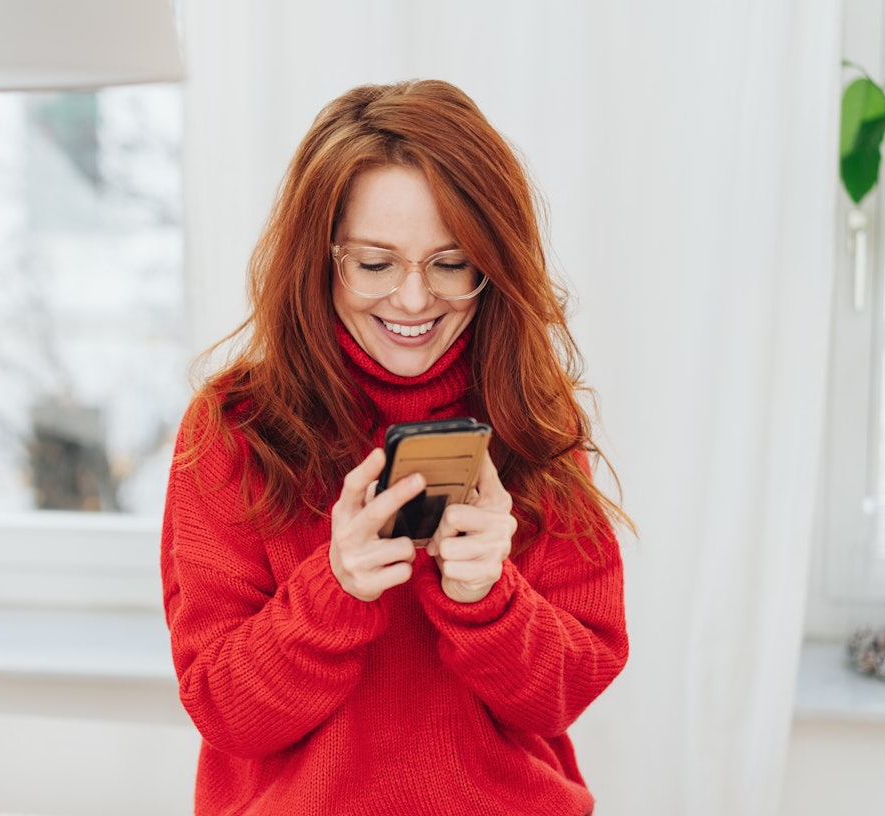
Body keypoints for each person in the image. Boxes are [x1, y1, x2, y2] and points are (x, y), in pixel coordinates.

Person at [161, 79, 631, 816]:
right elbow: (225, 712)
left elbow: (563, 699)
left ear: (493, 264)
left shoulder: (532, 419)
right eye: (375, 264)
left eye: (451, 263)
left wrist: (489, 600)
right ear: (320, 259)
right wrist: (334, 589)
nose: (414, 300)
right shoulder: (234, 429)